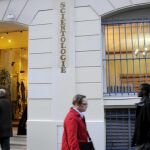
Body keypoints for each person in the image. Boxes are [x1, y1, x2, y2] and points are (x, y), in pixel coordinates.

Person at [132, 83, 150, 150]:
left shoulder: (147, 104)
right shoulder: (142, 103)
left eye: (139, 89)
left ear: (144, 91)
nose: (137, 91)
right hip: (141, 139)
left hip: (144, 141)